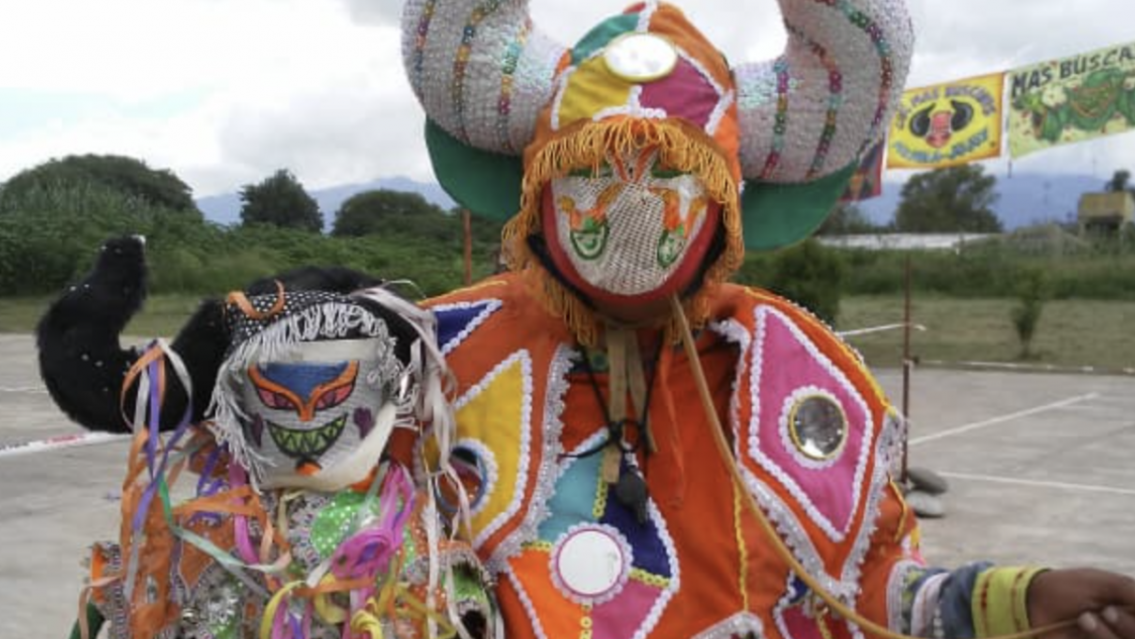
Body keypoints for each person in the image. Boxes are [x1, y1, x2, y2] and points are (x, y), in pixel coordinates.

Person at [402, 0, 1135, 638]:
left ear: (727, 203)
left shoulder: (789, 359)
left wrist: (1013, 603)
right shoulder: (427, 356)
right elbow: (357, 572)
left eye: (672, 171)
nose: (632, 204)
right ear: (534, 186)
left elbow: (864, 589)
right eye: (594, 166)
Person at [42, 247, 498, 638]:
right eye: (275, 396)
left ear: (388, 390)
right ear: (236, 399)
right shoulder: (189, 547)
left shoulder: (427, 557)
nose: (305, 420)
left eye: (334, 394)